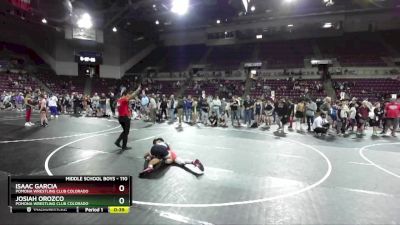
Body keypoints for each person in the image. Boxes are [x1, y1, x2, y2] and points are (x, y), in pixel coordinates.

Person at [140, 138, 204, 176]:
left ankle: (150, 167)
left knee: (156, 159)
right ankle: (193, 161)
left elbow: (148, 153)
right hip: (167, 155)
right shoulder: (164, 144)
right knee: (180, 162)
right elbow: (170, 150)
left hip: (164, 153)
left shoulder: (158, 145)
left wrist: (147, 157)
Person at [114, 85, 141, 150]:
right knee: (126, 132)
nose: (129, 96)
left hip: (120, 118)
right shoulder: (124, 99)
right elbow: (132, 95)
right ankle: (123, 145)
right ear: (125, 95)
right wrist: (138, 90)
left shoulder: (119, 100)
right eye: (128, 95)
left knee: (125, 131)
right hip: (125, 118)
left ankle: (118, 142)